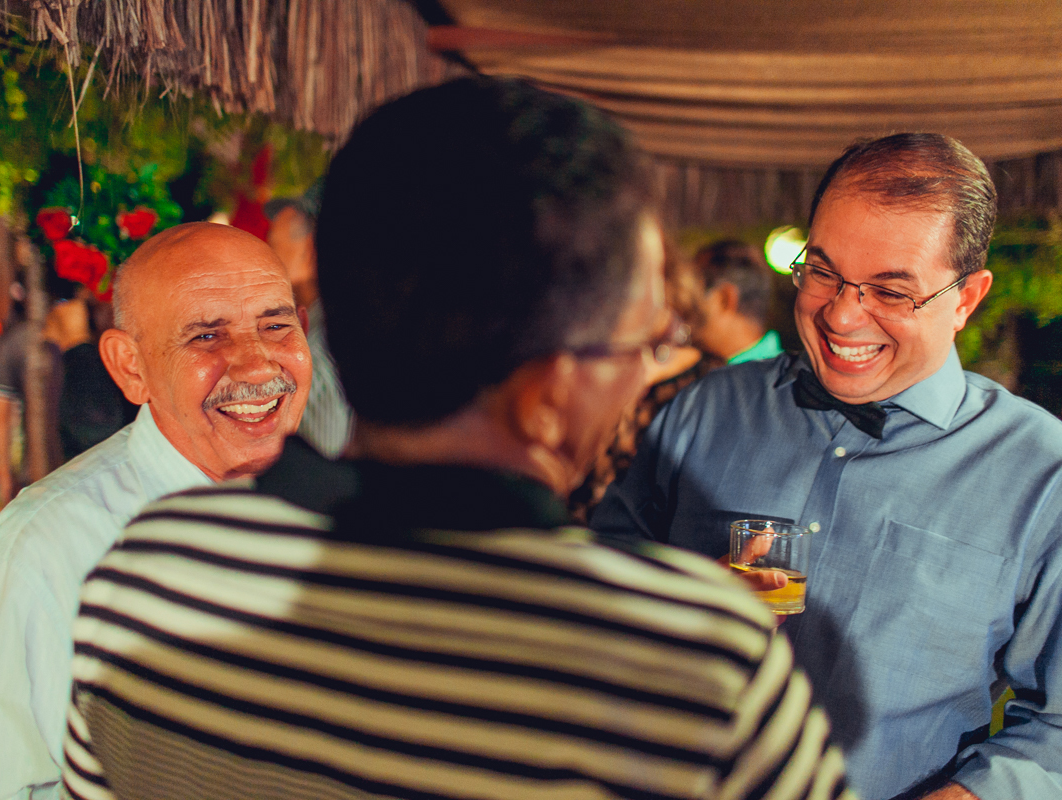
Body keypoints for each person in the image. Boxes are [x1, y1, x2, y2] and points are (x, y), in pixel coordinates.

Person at [60, 77, 850, 800]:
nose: (645, 372)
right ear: (550, 390)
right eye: (644, 340)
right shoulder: (688, 658)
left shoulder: (153, 570)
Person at [592, 133, 1062, 800]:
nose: (841, 313)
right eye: (823, 270)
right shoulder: (708, 408)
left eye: (891, 291)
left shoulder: (1049, 478)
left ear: (966, 299)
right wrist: (670, 601)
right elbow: (595, 582)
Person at [0, 223, 312, 800]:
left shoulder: (340, 513)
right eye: (205, 336)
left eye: (275, 324)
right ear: (131, 366)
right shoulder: (45, 551)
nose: (255, 364)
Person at [266, 185, 353, 457]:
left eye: (272, 242)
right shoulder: (309, 322)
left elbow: (325, 446)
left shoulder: (321, 345)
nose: (264, 250)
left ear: (312, 251)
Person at [684, 239, 784, 367]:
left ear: (723, 300)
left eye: (691, 297)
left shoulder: (723, 381)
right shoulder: (787, 377)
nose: (681, 308)